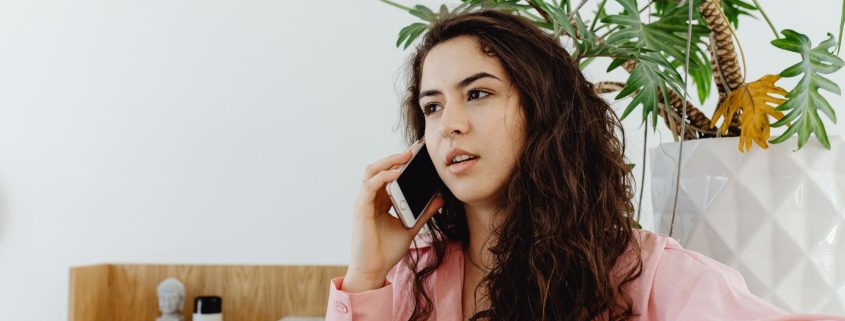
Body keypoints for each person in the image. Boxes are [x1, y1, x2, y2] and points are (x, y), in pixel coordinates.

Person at [326, 9, 845, 321]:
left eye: (478, 93)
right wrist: (367, 274)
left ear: (542, 108)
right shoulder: (408, 279)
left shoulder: (642, 273)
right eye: (432, 106)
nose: (448, 125)